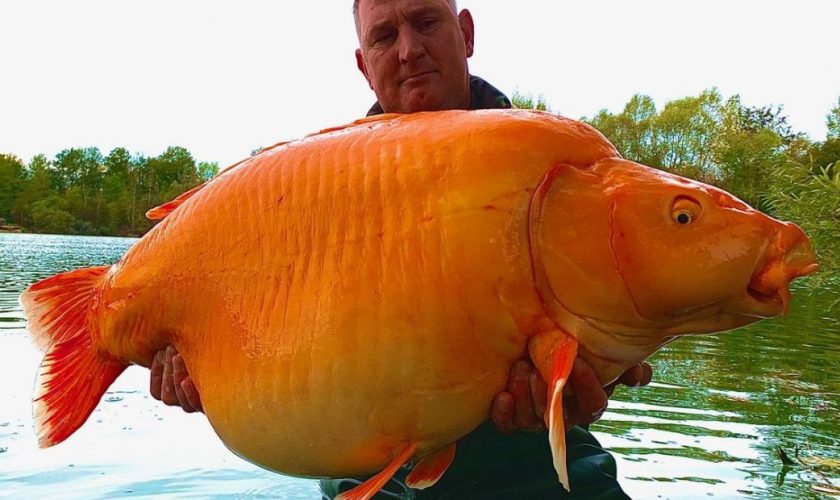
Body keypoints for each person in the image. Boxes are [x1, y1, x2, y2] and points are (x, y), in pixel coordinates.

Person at [150, 0, 653, 497]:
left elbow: (627, 332)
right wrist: (203, 371)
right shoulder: (316, 187)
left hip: (538, 473)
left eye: (426, 21)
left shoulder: (555, 166)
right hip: (365, 477)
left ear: (466, 34)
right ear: (364, 65)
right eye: (384, 36)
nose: (409, 50)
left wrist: (599, 375)